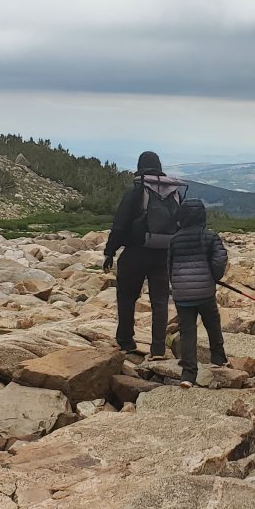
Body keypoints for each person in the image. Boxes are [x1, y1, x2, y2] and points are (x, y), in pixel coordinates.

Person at [103, 151, 187, 356]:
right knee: (159, 301)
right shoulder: (173, 192)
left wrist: (110, 252)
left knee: (127, 297)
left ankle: (126, 341)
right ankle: (158, 347)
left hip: (136, 253)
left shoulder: (138, 191)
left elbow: (120, 225)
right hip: (163, 253)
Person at [167, 198, 228, 382]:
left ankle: (188, 374)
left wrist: (177, 284)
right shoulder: (209, 237)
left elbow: (169, 265)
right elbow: (220, 260)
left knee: (187, 331)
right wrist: (214, 277)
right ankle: (217, 358)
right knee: (212, 323)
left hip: (182, 294)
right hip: (205, 293)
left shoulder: (174, 239)